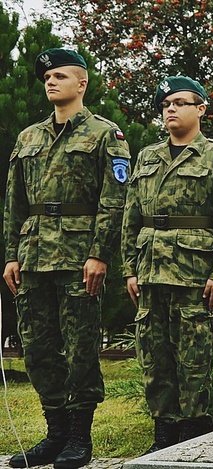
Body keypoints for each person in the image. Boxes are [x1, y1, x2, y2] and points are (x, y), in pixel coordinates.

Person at [3, 48, 131, 469]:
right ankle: (54, 434)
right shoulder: (28, 138)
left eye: (59, 75)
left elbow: (114, 202)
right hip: (34, 255)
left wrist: (100, 254)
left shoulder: (104, 134)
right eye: (46, 77)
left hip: (79, 257)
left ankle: (79, 437)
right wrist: (11, 255)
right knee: (39, 350)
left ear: (82, 83)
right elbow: (14, 204)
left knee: (80, 350)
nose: (50, 82)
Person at [121, 76, 213, 454]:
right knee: (154, 358)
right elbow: (131, 216)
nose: (170, 109)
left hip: (194, 273)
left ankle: (192, 439)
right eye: (165, 104)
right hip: (150, 270)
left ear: (201, 109)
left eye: (179, 102)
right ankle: (162, 438)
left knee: (193, 359)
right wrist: (130, 268)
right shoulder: (147, 157)